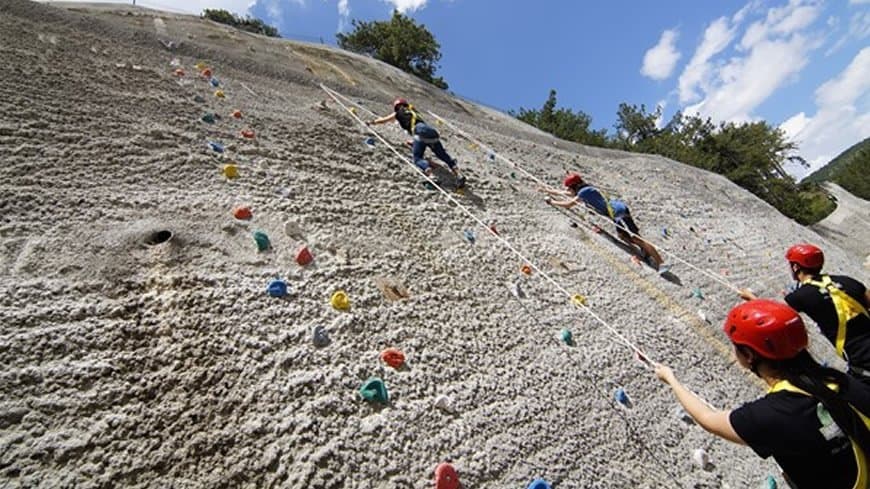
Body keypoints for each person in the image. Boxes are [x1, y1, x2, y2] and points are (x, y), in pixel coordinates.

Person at [655, 299, 870, 488]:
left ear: (749, 354)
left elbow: (707, 418)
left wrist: (671, 379)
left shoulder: (772, 413)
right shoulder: (838, 379)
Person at [739, 244, 870, 384]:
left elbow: (775, 316)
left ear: (795, 267)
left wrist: (752, 299)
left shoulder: (800, 296)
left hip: (862, 360)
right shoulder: (847, 280)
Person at [539, 173, 664, 269]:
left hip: (617, 211)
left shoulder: (584, 192)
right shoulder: (586, 190)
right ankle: (644, 251)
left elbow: (568, 204)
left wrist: (552, 202)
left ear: (574, 186)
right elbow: (564, 193)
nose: (568, 190)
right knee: (623, 236)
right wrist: (547, 190)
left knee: (637, 238)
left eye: (569, 188)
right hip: (616, 211)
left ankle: (660, 263)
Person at [368, 98, 465, 187]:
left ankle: (431, 176)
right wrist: (413, 143)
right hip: (431, 132)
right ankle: (458, 174)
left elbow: (382, 121)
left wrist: (371, 122)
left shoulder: (398, 113)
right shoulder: (414, 111)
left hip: (419, 132)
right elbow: (423, 132)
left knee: (417, 158)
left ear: (397, 107)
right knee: (443, 155)